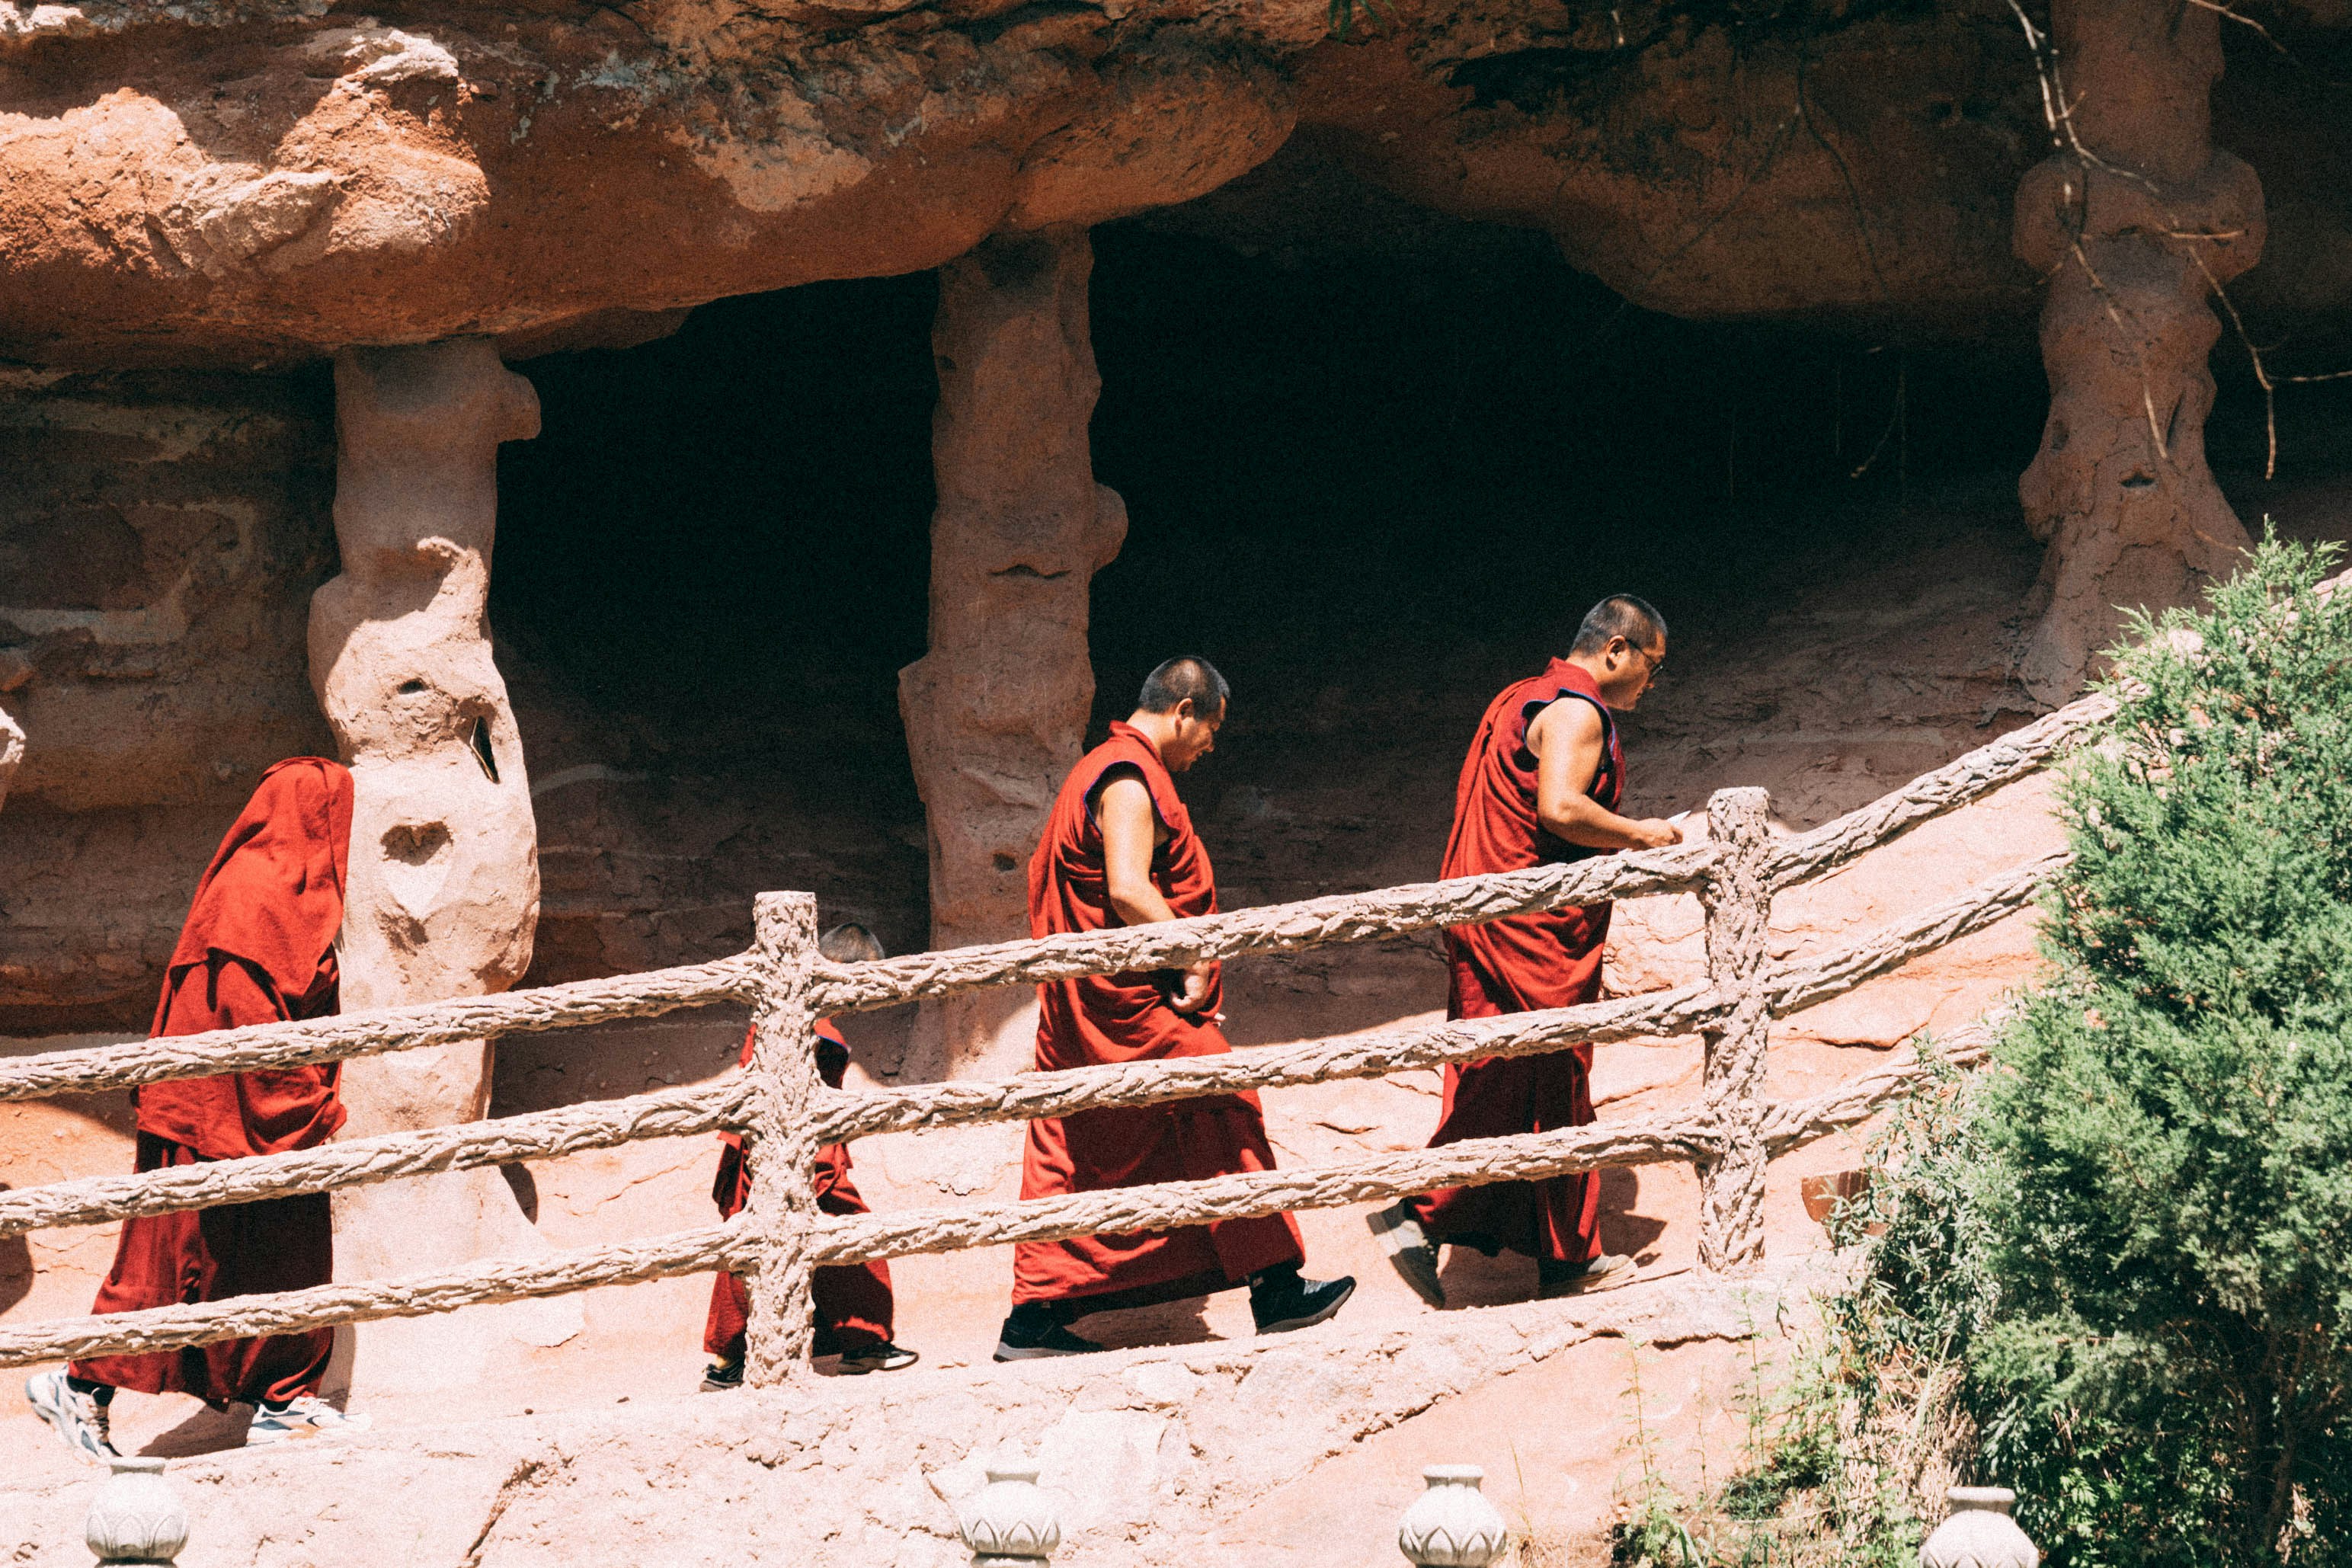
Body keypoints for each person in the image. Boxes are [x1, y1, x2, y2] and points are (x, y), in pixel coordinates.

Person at [997, 656, 1355, 1360]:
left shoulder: (1107, 769)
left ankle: (1032, 1322)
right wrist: (1190, 952)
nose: (1210, 748)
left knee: (1073, 1143)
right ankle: (1275, 1288)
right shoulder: (1126, 778)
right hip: (1123, 1004)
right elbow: (1128, 889)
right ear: (1184, 710)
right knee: (1216, 1095)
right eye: (1210, 730)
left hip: (1089, 1005)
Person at [27, 757, 372, 1461]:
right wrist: (306, 1105)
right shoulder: (254, 895)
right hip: (215, 1112)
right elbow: (246, 1022)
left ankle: (283, 1402)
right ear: (314, 818)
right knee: (168, 1264)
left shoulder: (293, 895)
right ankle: (78, 1384)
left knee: (283, 1255)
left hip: (252, 1111)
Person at [1368, 596, 1682, 1307]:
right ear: (1615, 651)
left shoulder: (1519, 695)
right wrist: (1642, 836)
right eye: (1650, 667)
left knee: (1534, 1078)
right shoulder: (1575, 709)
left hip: (1495, 913)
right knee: (1523, 1072)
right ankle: (1417, 1210)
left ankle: (1567, 1258)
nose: (1649, 685)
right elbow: (1560, 810)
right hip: (1524, 927)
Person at [700, 923, 918, 1387]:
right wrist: (818, 1170)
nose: (858, 1000)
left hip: (786, 1151)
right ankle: (862, 1344)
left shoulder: (796, 1015)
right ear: (837, 970)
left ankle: (733, 1360)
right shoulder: (811, 1029)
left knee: (762, 1250)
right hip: (795, 1155)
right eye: (860, 985)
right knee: (848, 1246)